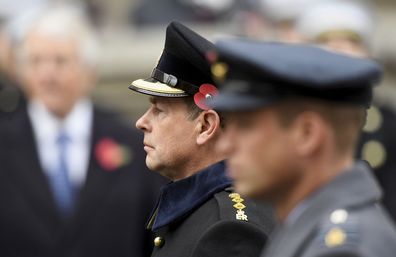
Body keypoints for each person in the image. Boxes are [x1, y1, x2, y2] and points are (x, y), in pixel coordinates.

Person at [0, 6, 164, 257]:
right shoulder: (5, 143)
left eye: (60, 61)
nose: (47, 75)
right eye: (36, 62)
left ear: (89, 71)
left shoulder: (133, 142)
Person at [208, 38, 396, 257]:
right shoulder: (307, 227)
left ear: (307, 134)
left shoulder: (340, 250)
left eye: (245, 126)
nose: (225, 144)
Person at [128, 21, 274, 257]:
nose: (141, 122)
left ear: (206, 126)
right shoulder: (202, 212)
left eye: (159, 110)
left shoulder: (230, 232)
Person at [295, 0, 396, 222]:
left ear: (367, 53)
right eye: (327, 41)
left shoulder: (389, 125)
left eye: (351, 42)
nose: (340, 50)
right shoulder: (290, 118)